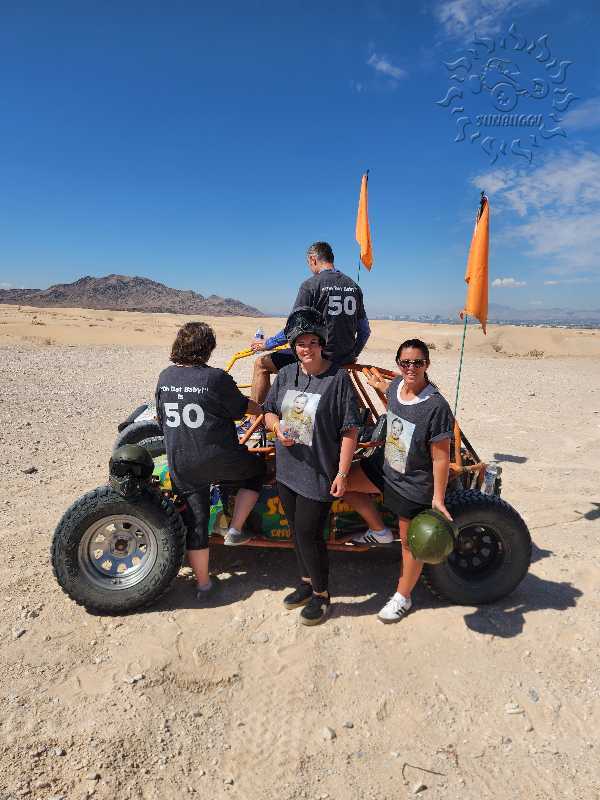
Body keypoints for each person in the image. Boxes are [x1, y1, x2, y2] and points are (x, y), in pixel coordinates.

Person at [263, 307, 362, 626]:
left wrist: (342, 473)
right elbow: (268, 410)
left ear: (322, 343)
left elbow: (350, 429)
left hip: (318, 472)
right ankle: (306, 584)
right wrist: (277, 427)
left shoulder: (337, 379)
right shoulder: (286, 374)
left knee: (309, 534)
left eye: (312, 342)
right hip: (288, 469)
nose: (306, 348)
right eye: (300, 343)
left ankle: (322, 594)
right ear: (293, 346)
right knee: (296, 531)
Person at [343, 339, 454, 623]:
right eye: (405, 363)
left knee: (409, 544)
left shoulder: (436, 406)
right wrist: (377, 384)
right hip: (385, 467)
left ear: (427, 364)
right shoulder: (396, 387)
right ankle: (378, 530)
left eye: (417, 362)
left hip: (412, 483)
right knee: (342, 484)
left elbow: (441, 458)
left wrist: (438, 498)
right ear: (398, 364)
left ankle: (403, 597)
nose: (411, 368)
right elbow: (389, 394)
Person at [155, 321, 266, 600]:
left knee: (197, 521)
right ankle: (235, 529)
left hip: (181, 461)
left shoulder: (165, 376)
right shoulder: (215, 378)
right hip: (219, 459)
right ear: (207, 348)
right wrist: (266, 409)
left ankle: (203, 585)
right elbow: (241, 408)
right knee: (257, 470)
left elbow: (161, 417)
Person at [249, 241, 371, 408]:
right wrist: (352, 354)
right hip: (344, 358)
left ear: (313, 259)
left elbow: (293, 327)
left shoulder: (311, 285)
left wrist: (267, 344)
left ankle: (255, 418)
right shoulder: (354, 286)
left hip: (318, 357)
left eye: (308, 263)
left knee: (261, 364)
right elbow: (365, 331)